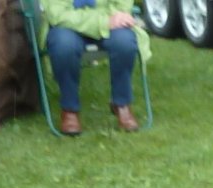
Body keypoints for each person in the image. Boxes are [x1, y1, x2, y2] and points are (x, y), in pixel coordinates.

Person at [39, 0, 148, 135]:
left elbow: (122, 7)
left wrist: (112, 19)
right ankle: (69, 109)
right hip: (67, 26)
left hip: (108, 21)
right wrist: (103, 22)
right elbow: (57, 14)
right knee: (64, 46)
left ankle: (122, 104)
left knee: (124, 43)